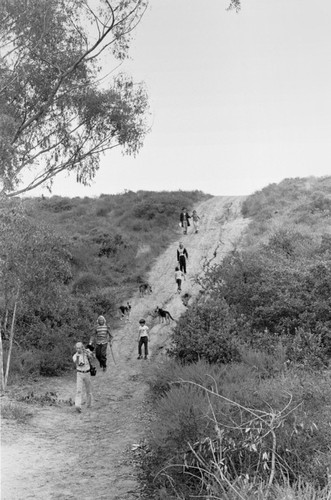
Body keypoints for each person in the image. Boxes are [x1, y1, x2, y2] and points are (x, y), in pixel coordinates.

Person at [72, 342, 94, 413]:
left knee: (89, 390)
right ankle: (78, 406)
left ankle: (89, 404)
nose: (78, 349)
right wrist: (79, 355)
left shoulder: (86, 353)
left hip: (87, 372)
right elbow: (77, 363)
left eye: (80, 348)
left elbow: (93, 357)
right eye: (77, 348)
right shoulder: (75, 355)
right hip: (80, 373)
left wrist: (88, 353)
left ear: (82, 347)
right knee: (79, 390)